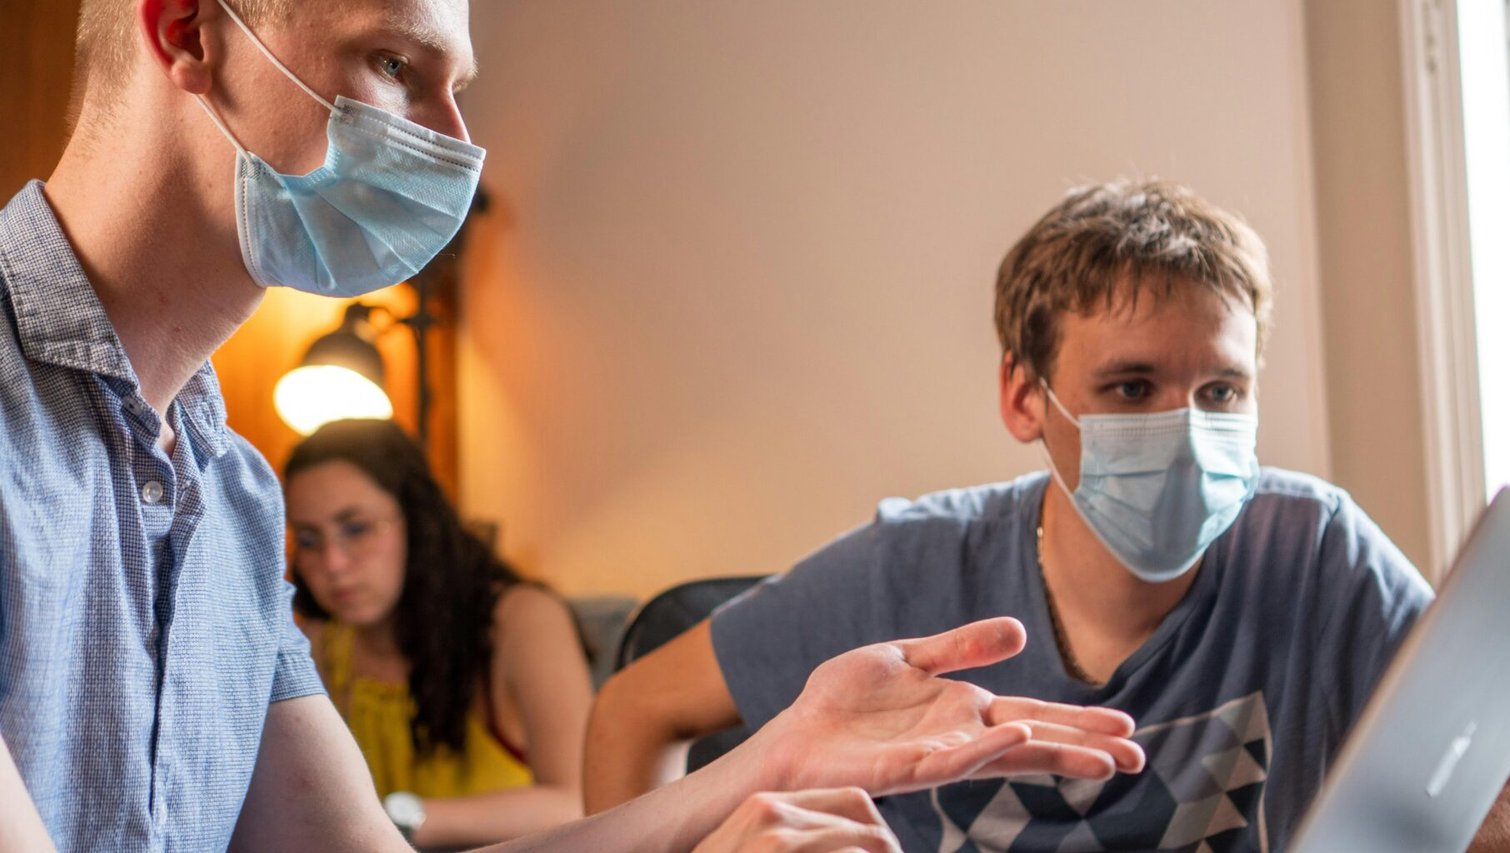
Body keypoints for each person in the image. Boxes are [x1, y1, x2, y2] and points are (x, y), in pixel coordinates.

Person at [0, 0, 1146, 849]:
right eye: (395, 63)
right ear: (190, 32)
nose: (452, 143)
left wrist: (768, 760)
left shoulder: (235, 497)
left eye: (460, 88)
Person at [584, 180, 1510, 851]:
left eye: (1220, 391)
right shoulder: (910, 568)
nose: (1188, 430)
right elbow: (632, 708)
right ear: (1025, 398)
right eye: (1129, 387)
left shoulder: (1314, 549)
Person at [283, 418, 592, 847]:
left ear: (416, 520)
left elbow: (580, 802)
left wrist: (397, 817)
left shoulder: (522, 620)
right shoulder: (318, 637)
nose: (333, 563)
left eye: (356, 528)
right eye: (310, 540)